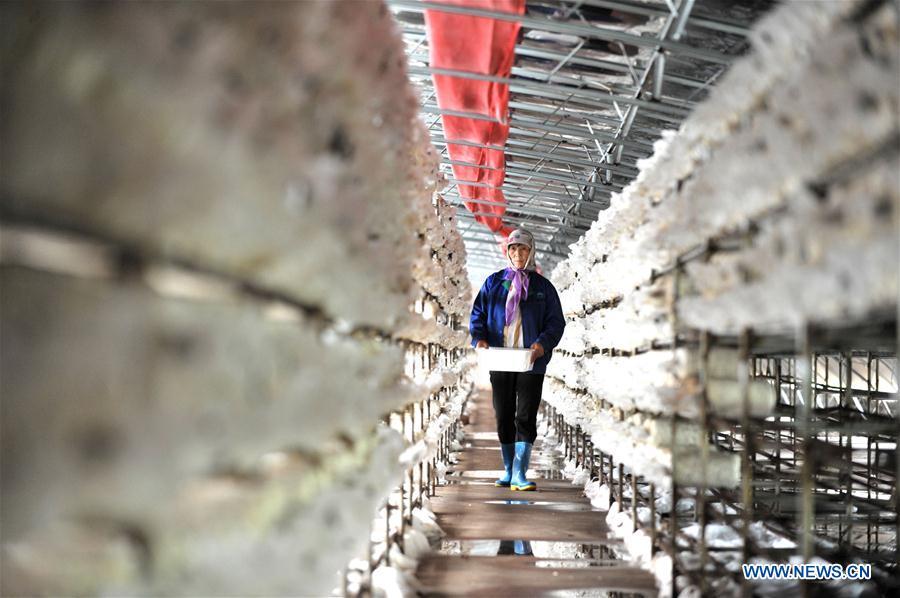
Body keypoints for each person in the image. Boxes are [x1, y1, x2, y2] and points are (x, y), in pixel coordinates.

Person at [469, 228, 566, 491]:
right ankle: (508, 468)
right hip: (501, 359)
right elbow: (477, 314)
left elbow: (555, 323)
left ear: (531, 251)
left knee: (525, 416)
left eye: (523, 249)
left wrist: (541, 346)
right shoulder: (494, 282)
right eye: (513, 249)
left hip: (530, 361)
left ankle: (521, 473)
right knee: (503, 415)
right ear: (507, 252)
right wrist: (479, 339)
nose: (518, 254)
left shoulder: (542, 287)